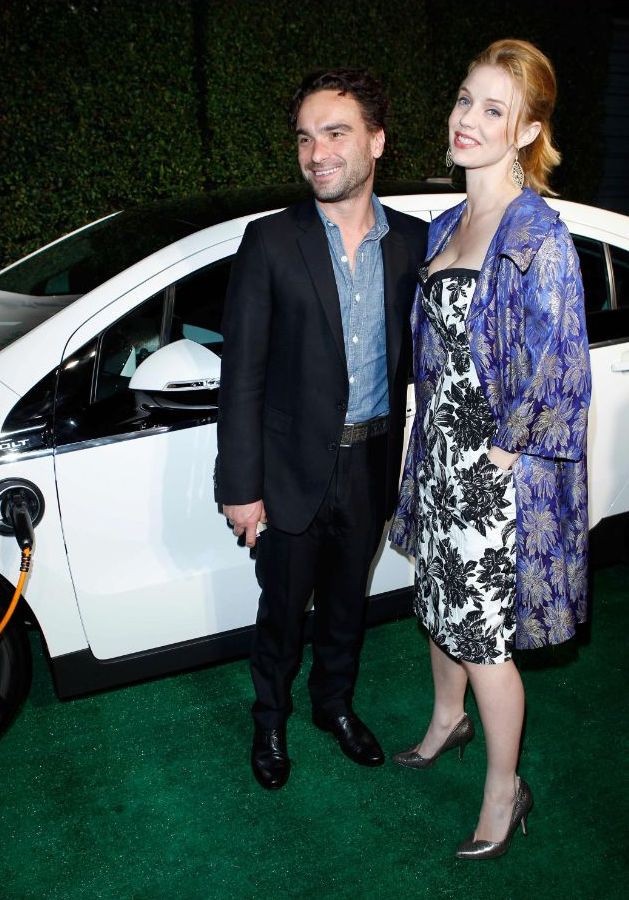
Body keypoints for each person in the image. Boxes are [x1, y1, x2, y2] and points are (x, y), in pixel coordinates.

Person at [390, 39, 591, 859]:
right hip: (439, 454)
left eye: (492, 109)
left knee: (482, 638)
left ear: (525, 131)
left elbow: (561, 366)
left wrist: (499, 458)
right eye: (464, 99)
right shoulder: (446, 219)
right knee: (437, 603)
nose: (467, 120)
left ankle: (505, 794)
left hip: (492, 478)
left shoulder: (537, 233)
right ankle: (446, 720)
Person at [216, 69, 428, 790]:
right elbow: (239, 375)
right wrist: (240, 488)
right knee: (281, 612)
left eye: (335, 133)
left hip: (371, 461)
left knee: (346, 606)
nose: (316, 152)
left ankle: (331, 706)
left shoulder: (414, 244)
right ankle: (269, 718)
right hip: (287, 473)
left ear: (375, 141)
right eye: (305, 137)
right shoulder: (270, 242)